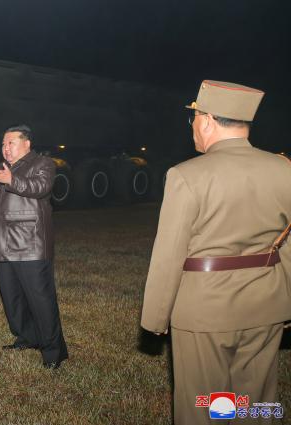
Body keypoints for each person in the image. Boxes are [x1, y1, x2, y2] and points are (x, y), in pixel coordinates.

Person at [140, 80, 291, 423]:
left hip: (204, 311)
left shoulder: (186, 175)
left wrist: (155, 317)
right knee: (253, 405)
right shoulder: (284, 169)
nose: (193, 125)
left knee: (204, 407)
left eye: (193, 118)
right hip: (266, 305)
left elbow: (169, 255)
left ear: (206, 121)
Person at [0, 124, 68, 369]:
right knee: (12, 298)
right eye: (3, 144)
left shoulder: (43, 164)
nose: (5, 148)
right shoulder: (2, 168)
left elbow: (39, 188)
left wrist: (12, 179)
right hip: (1, 244)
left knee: (41, 299)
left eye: (10, 143)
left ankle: (54, 352)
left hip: (29, 245)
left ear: (26, 143)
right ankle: (27, 336)